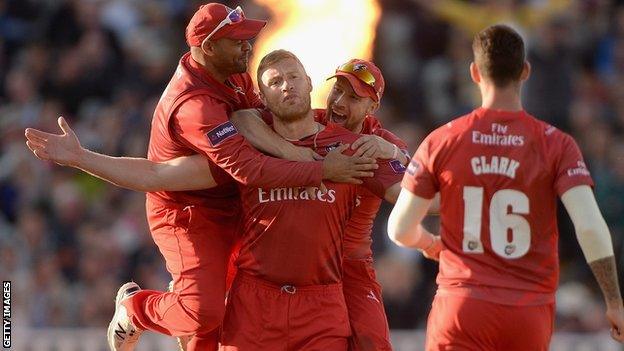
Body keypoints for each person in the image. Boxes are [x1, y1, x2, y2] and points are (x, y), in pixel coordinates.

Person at [25, 3, 376, 351]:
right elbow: (247, 169)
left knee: (228, 309)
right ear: (209, 48)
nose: (248, 45)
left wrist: (311, 147)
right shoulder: (193, 105)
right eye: (237, 40)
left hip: (230, 196)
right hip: (189, 212)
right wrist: (320, 168)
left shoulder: (232, 71)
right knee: (202, 312)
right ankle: (135, 308)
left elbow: (257, 121)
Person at [387, 24, 624, 350]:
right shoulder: (556, 144)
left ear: (474, 72)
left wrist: (430, 244)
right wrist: (614, 300)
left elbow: (399, 230)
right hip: (528, 311)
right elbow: (590, 226)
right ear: (525, 71)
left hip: (462, 306)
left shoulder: (442, 140)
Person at [218, 49, 405, 351]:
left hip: (347, 265)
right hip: (277, 275)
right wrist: (299, 158)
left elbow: (409, 187)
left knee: (374, 342)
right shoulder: (307, 121)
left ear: (373, 106)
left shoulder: (377, 145)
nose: (340, 103)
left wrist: (398, 154)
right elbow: (242, 118)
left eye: (354, 98)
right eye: (338, 91)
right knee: (201, 317)